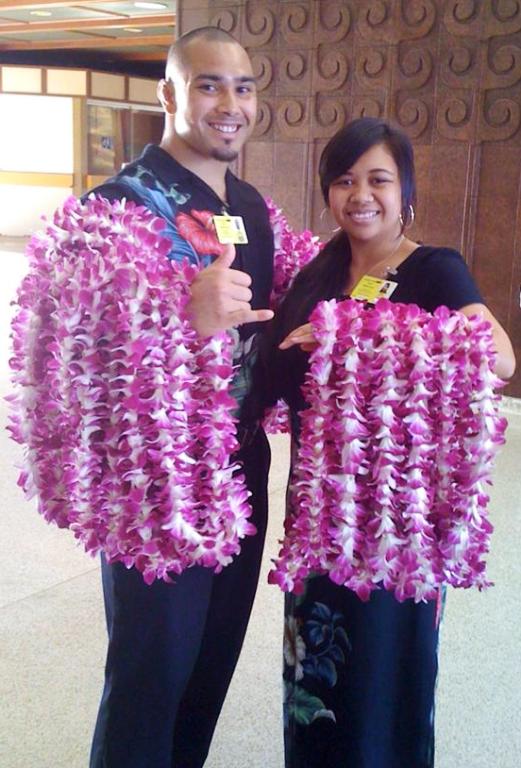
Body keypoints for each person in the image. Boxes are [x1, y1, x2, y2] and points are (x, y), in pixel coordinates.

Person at [256, 117, 515, 768]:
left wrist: (359, 337)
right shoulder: (318, 271)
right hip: (317, 515)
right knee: (313, 670)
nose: (359, 195)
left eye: (378, 179)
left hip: (396, 524)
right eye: (343, 180)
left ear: (406, 193)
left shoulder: (433, 269)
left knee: (382, 672)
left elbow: (499, 358)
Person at [84, 27, 275, 767]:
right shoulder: (117, 206)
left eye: (244, 86)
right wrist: (174, 316)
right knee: (149, 672)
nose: (229, 103)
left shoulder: (250, 205)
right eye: (207, 84)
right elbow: (71, 354)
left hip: (239, 467)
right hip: (154, 480)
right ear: (168, 93)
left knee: (209, 662)